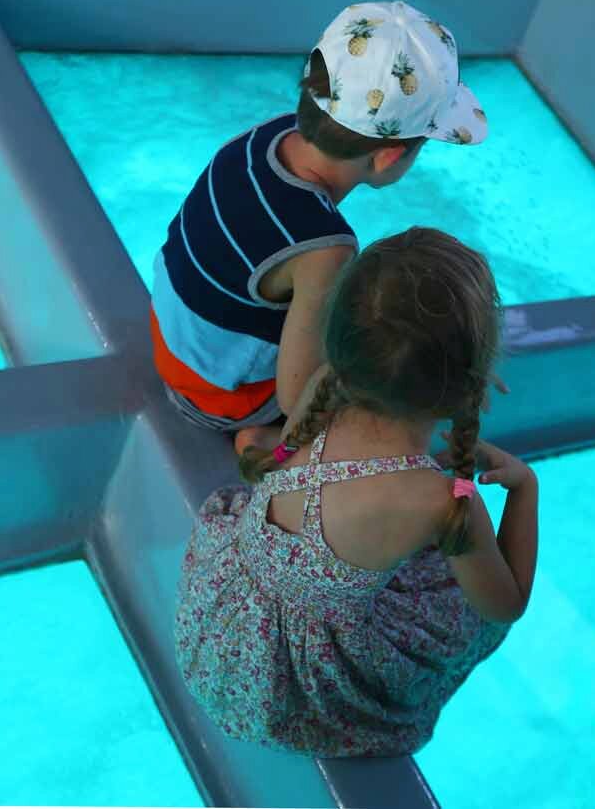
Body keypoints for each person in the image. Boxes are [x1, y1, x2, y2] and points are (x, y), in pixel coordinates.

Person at [173, 227, 539, 757]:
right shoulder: (444, 498)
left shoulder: (324, 386)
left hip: (225, 639)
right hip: (292, 690)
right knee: (464, 612)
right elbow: (504, 605)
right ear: (471, 381)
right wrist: (526, 488)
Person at [147, 1, 490, 447]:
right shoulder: (324, 247)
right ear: (388, 157)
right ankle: (263, 444)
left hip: (170, 340)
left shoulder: (268, 134)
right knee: (387, 400)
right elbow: (296, 397)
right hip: (217, 398)